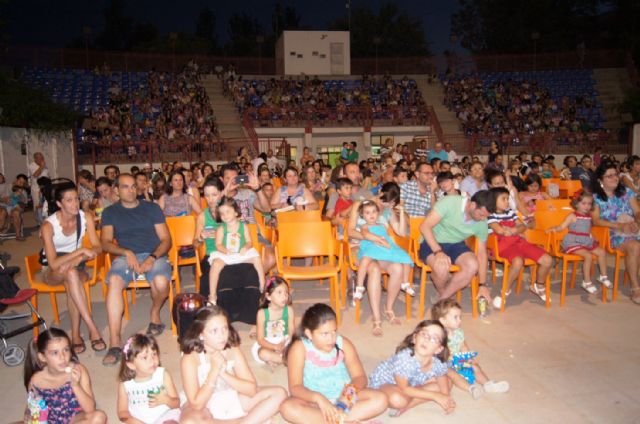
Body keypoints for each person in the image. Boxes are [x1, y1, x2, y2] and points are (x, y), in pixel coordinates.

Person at [100, 173, 173, 366]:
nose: (131, 190)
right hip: (126, 256)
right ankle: (115, 342)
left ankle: (155, 313)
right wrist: (126, 251)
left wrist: (152, 257)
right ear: (116, 190)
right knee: (114, 282)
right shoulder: (110, 212)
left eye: (133, 186)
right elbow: (106, 243)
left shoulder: (152, 208)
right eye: (125, 187)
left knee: (161, 283)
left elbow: (166, 240)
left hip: (154, 254)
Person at [279, 303, 388, 424]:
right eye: (324, 334)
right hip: (315, 403)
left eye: (334, 332)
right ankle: (344, 421)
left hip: (344, 400)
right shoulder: (299, 348)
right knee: (287, 407)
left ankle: (334, 420)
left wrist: (347, 397)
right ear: (309, 334)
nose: (331, 339)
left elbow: (360, 377)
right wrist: (319, 399)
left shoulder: (344, 344)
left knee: (380, 399)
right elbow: (295, 387)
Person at [179, 306, 287, 423]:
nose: (222, 336)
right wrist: (214, 371)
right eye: (214, 331)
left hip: (229, 397)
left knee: (279, 394)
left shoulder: (232, 350)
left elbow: (251, 389)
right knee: (189, 422)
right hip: (204, 406)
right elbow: (197, 404)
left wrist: (224, 373)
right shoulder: (190, 357)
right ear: (201, 334)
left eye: (224, 329)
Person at [41, 183, 106, 355]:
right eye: (69, 200)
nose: (75, 203)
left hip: (76, 267)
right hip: (52, 271)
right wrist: (79, 252)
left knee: (71, 276)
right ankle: (92, 328)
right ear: (59, 204)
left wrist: (80, 258)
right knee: (69, 274)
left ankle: (76, 335)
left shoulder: (86, 217)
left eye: (76, 198)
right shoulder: (49, 226)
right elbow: (54, 263)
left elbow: (98, 247)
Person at [368, 320, 454, 417]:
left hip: (411, 384)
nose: (427, 339)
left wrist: (446, 399)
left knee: (448, 383)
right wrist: (435, 396)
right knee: (398, 400)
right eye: (424, 334)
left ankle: (408, 406)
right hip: (388, 383)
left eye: (434, 338)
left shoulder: (437, 362)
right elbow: (404, 388)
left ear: (439, 349)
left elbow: (442, 378)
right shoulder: (404, 358)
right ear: (414, 338)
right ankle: (408, 400)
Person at [419, 191, 492, 302]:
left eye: (486, 216)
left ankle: (442, 299)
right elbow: (425, 227)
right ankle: (442, 290)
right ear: (472, 205)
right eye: (481, 215)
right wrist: (438, 252)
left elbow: (482, 254)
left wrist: (482, 285)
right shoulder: (450, 202)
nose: (483, 219)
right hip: (432, 241)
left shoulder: (482, 221)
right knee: (442, 269)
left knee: (472, 265)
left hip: (456, 244)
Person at [23, 328, 107, 423]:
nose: (62, 357)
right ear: (42, 357)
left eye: (66, 350)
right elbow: (33, 410)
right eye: (55, 353)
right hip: (50, 420)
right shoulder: (36, 381)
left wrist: (76, 385)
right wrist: (29, 414)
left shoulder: (79, 370)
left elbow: (90, 409)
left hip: (75, 419)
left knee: (99, 416)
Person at [487, 187, 552, 308]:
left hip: (520, 242)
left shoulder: (511, 212)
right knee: (518, 262)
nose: (507, 201)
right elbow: (499, 230)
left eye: (507, 198)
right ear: (493, 201)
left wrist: (513, 230)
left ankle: (539, 285)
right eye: (503, 199)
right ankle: (504, 292)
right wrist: (515, 230)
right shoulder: (490, 215)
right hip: (503, 246)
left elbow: (523, 226)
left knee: (547, 260)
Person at [432, 299, 509, 394]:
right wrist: (452, 358)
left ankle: (488, 384)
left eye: (460, 317)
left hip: (459, 360)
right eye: (455, 317)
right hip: (445, 364)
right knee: (455, 376)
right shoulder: (439, 336)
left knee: (475, 367)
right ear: (443, 321)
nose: (459, 320)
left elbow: (463, 345)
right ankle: (471, 389)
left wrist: (468, 357)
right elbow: (437, 354)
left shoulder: (458, 332)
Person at [591, 162, 640, 304]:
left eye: (615, 174)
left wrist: (637, 221)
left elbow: (637, 211)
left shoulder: (626, 192)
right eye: (609, 176)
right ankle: (635, 288)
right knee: (634, 246)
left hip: (631, 227)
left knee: (635, 244)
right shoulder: (595, 198)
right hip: (610, 233)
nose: (614, 178)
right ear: (600, 180)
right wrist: (619, 226)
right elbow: (596, 221)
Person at [546, 190, 612, 294]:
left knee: (602, 252)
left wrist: (593, 237)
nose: (587, 206)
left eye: (589, 204)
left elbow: (588, 230)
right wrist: (553, 229)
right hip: (574, 242)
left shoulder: (589, 216)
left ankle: (603, 276)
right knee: (588, 256)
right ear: (576, 204)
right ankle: (586, 281)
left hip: (586, 241)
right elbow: (561, 227)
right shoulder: (572, 216)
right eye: (584, 203)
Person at [352, 200, 414, 306]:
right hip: (371, 245)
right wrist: (380, 240)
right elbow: (366, 235)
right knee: (365, 259)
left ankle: (405, 283)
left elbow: (388, 237)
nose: (371, 215)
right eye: (367, 213)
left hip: (384, 247)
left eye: (373, 212)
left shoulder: (383, 225)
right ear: (362, 215)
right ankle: (359, 287)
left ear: (378, 213)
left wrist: (386, 243)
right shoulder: (364, 226)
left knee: (405, 257)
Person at [207, 197, 265, 305]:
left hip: (240, 253)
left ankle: (262, 286)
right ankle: (212, 295)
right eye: (222, 213)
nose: (225, 216)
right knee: (215, 264)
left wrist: (245, 248)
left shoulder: (243, 226)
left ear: (235, 212)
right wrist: (226, 251)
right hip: (227, 254)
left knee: (256, 258)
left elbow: (249, 242)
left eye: (228, 212)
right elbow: (218, 245)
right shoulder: (221, 229)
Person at [117, 334, 181, 423]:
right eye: (145, 357)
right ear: (131, 365)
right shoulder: (126, 385)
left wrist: (166, 400)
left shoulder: (162, 375)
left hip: (164, 416)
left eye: (154, 354)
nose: (152, 360)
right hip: (139, 420)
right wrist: (132, 421)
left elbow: (177, 403)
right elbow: (122, 412)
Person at [252, 276, 295, 366]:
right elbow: (260, 339)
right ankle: (287, 360)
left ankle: (278, 359)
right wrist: (275, 346)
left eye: (286, 292)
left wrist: (287, 343)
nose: (284, 296)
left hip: (285, 340)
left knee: (299, 346)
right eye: (279, 292)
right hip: (268, 343)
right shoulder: (262, 313)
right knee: (262, 353)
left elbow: (291, 332)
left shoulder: (289, 310)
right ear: (268, 296)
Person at [194, 177, 224, 295]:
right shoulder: (202, 216)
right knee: (206, 278)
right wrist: (201, 238)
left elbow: (239, 234)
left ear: (221, 194)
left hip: (229, 252)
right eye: (207, 195)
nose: (210, 199)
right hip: (210, 254)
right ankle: (208, 308)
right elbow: (195, 244)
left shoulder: (229, 212)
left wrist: (219, 234)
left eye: (214, 195)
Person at [28, 151, 49, 224]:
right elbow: (35, 175)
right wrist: (42, 166)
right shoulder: (31, 165)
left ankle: (45, 219)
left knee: (45, 204)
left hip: (45, 187)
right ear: (35, 159)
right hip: (36, 188)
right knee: (38, 205)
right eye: (40, 158)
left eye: (42, 157)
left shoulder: (44, 165)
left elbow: (46, 175)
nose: (42, 159)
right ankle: (39, 221)